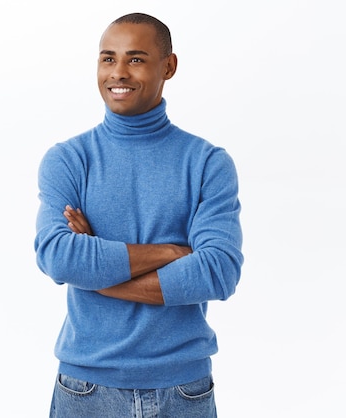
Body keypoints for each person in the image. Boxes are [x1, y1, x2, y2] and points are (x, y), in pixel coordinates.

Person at [34, 12, 243, 418]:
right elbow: (58, 257)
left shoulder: (207, 163)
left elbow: (218, 272)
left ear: (169, 66)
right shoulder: (68, 160)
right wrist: (171, 252)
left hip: (183, 390)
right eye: (108, 58)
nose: (119, 73)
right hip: (86, 389)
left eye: (135, 59)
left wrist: (96, 273)